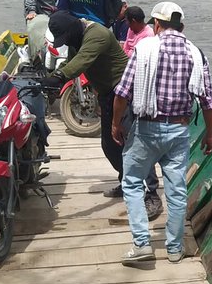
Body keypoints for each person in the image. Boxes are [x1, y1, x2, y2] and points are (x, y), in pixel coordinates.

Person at [112, 1, 212, 265]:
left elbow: (122, 93)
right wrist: (209, 135)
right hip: (179, 130)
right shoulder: (196, 53)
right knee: (177, 191)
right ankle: (174, 248)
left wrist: (115, 123)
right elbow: (208, 102)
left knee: (132, 183)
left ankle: (141, 244)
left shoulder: (144, 48)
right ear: (182, 27)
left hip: (147, 128)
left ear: (156, 24)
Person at [43, 11, 162, 219]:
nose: (66, 42)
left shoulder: (97, 34)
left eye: (66, 38)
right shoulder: (76, 39)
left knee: (136, 144)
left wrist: (59, 77)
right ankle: (127, 182)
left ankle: (152, 194)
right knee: (109, 145)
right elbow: (72, 63)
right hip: (107, 94)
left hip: (125, 92)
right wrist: (51, 79)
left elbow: (82, 61)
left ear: (73, 29)